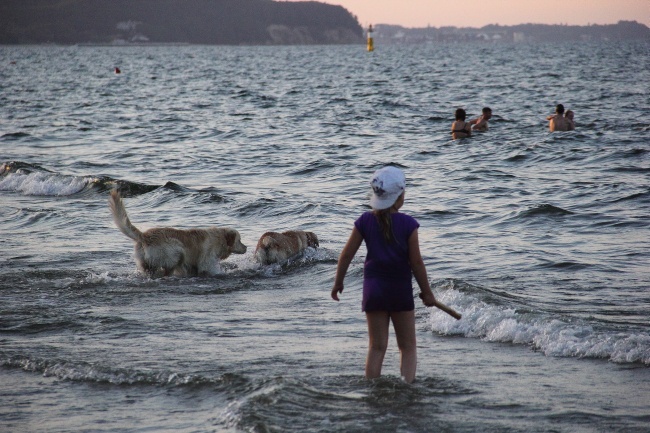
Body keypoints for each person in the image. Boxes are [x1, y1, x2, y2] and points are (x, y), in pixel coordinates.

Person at [331, 166, 437, 383]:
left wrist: (338, 282)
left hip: (374, 291)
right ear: (401, 195)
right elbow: (416, 263)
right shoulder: (408, 224)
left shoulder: (365, 221)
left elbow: (346, 255)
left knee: (376, 347)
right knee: (407, 347)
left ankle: (371, 388)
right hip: (399, 290)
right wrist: (427, 293)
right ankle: (406, 387)